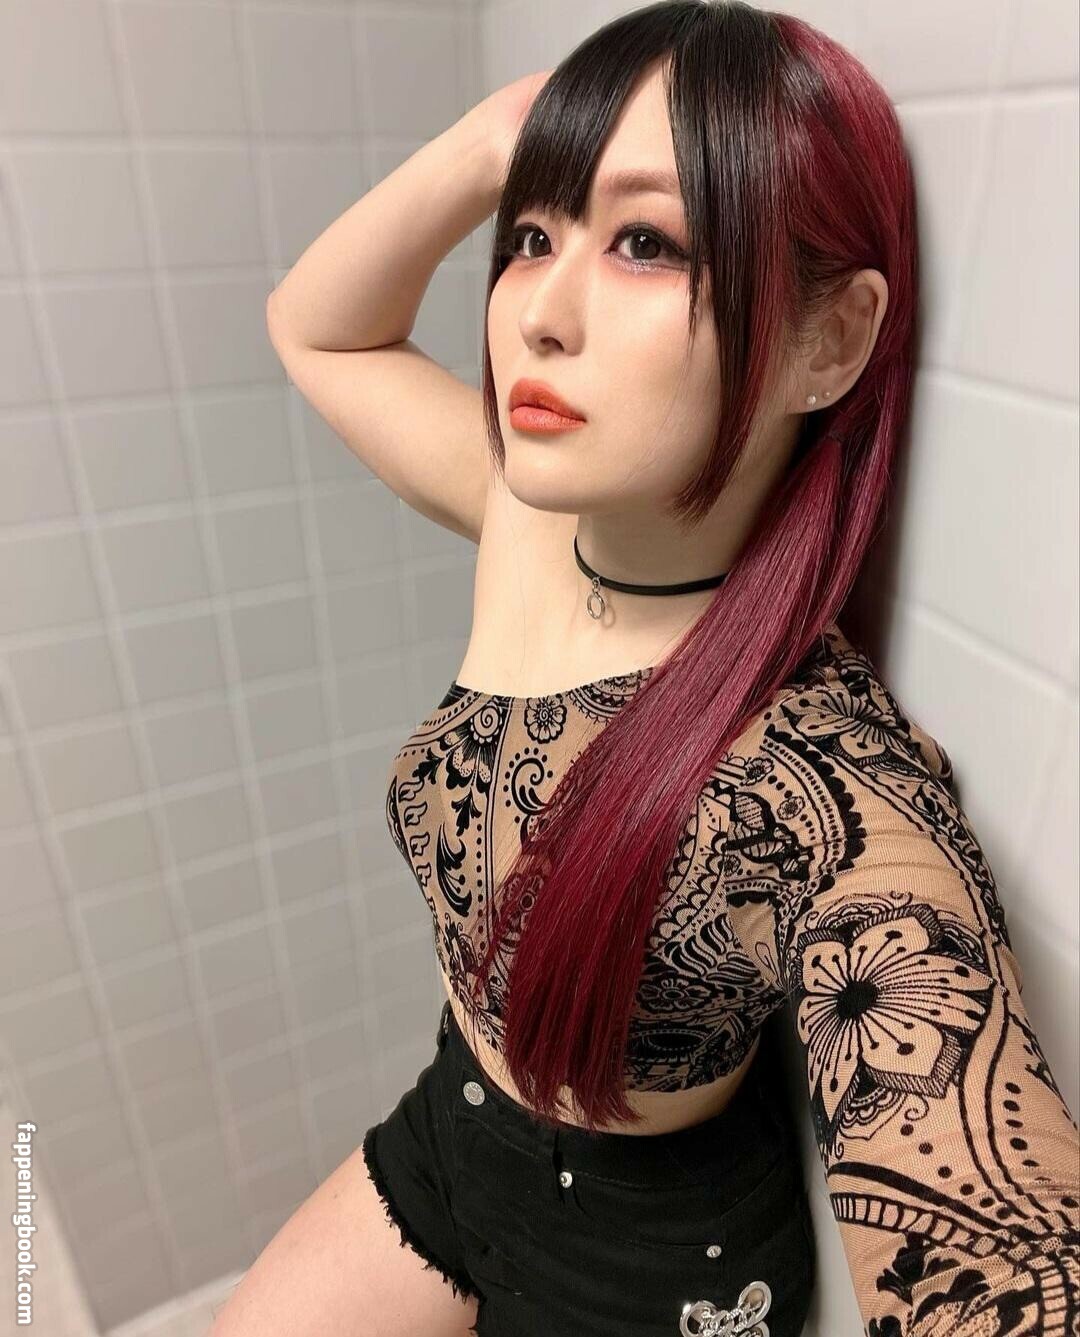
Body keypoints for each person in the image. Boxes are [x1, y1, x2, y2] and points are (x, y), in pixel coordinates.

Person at [215, 3, 1079, 1335]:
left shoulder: (823, 779)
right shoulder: (530, 517)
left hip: (653, 1267)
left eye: (645, 243)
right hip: (455, 1132)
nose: (535, 317)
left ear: (827, 341)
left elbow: (1000, 1256)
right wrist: (486, 150)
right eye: (532, 238)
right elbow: (315, 327)